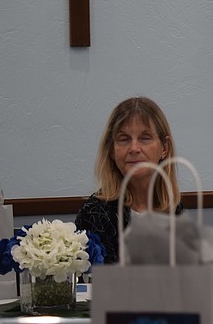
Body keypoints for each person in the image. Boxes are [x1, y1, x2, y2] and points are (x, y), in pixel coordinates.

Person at [75, 96, 181, 264]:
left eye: (145, 138)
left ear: (164, 148)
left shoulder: (174, 208)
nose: (134, 149)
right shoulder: (95, 214)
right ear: (111, 150)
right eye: (124, 139)